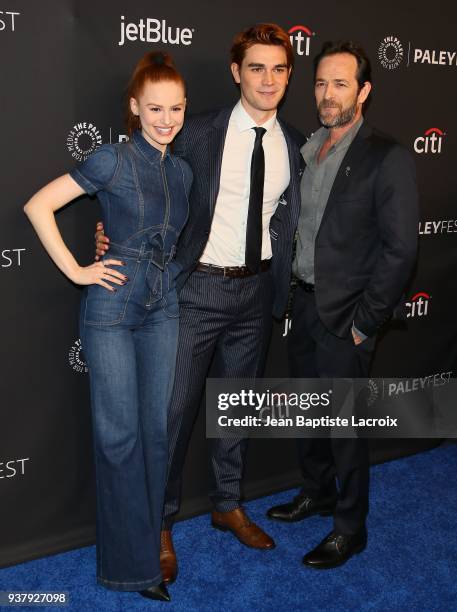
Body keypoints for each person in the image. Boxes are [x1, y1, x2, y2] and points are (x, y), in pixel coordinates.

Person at [96, 23, 305, 584]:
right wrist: (113, 235)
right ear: (237, 73)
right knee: (171, 416)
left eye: (279, 68)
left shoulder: (295, 144)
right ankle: (158, 525)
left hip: (257, 291)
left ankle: (227, 504)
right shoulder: (199, 132)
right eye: (256, 68)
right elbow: (147, 186)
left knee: (235, 407)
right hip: (194, 291)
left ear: (289, 75)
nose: (268, 79)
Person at [24, 52, 192, 602]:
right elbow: (39, 205)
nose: (165, 119)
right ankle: (131, 570)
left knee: (157, 436)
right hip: (113, 313)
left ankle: (148, 550)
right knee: (119, 439)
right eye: (154, 108)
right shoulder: (111, 159)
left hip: (163, 310)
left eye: (176, 108)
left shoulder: (183, 170)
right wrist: (78, 268)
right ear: (134, 108)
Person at [266, 40, 419, 569]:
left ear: (364, 91)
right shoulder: (311, 147)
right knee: (308, 417)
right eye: (320, 83)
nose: (327, 95)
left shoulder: (386, 156)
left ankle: (350, 528)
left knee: (345, 428)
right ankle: (318, 491)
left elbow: (401, 250)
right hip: (303, 306)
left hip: (346, 317)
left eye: (340, 84)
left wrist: (365, 323)